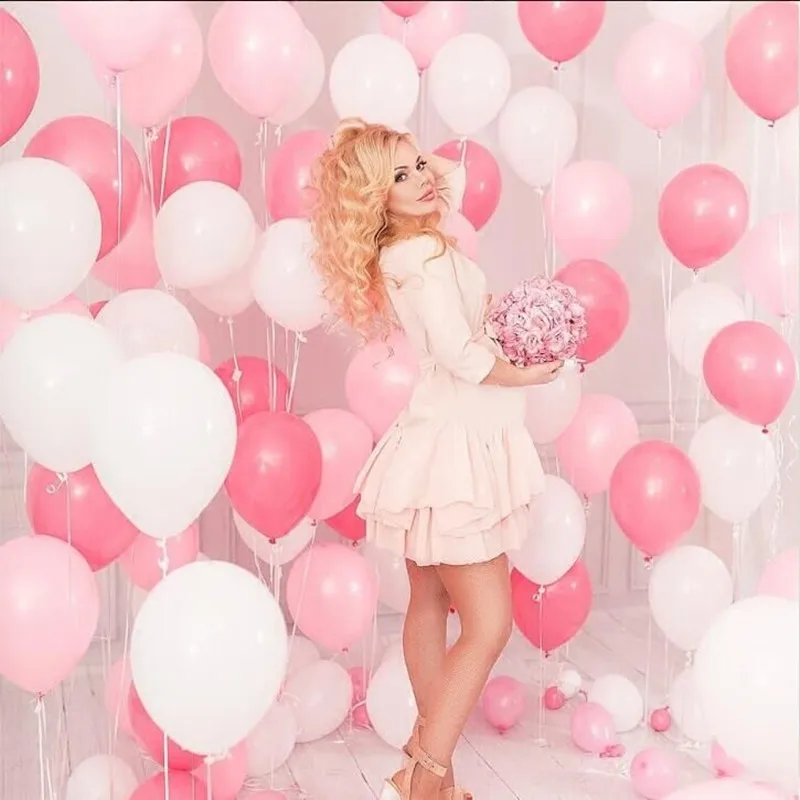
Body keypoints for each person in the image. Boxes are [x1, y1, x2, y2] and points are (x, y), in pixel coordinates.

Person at [310, 119, 560, 800]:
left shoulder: (412, 248)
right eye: (399, 177)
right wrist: (526, 373)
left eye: (419, 164)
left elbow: (448, 178)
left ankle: (434, 779)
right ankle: (423, 776)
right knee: (489, 623)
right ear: (375, 198)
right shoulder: (418, 256)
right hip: (454, 442)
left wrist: (402, 167)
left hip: (439, 434)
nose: (423, 179)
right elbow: (458, 353)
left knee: (430, 601)